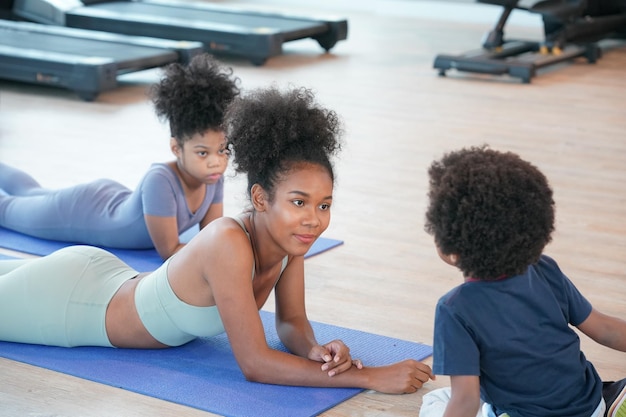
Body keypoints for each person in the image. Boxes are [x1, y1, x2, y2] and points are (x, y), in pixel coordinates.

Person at [0, 86, 434, 394]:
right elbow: (255, 364)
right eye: (300, 202)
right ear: (261, 198)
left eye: (324, 205)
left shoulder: (289, 242)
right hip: (73, 305)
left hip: (103, 276)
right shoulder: (229, 240)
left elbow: (291, 323)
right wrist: (369, 376)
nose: (314, 220)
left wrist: (319, 351)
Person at [418, 146, 626, 417]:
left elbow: (466, 400)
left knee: (435, 402)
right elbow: (606, 329)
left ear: (450, 247)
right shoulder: (544, 268)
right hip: (590, 406)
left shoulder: (454, 309)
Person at [0, 53, 239, 260]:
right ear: (176, 148)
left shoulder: (213, 177)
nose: (215, 161)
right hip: (82, 214)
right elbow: (171, 251)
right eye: (202, 153)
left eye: (222, 150)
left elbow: (210, 238)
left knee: (31, 193)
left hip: (109, 199)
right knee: (7, 210)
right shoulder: (161, 180)